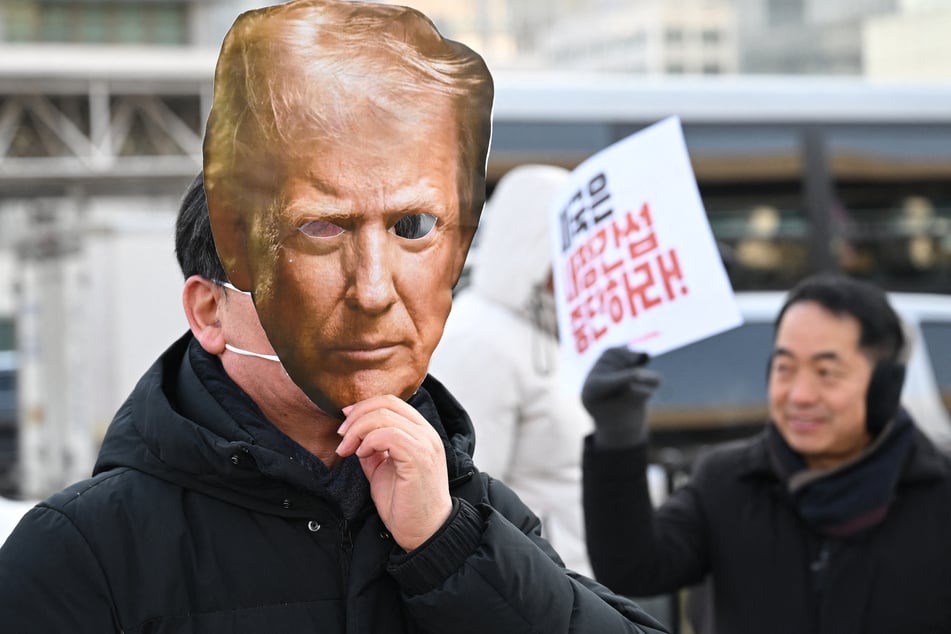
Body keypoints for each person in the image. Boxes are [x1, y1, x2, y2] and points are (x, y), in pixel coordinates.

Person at [0, 2, 667, 632]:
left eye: (410, 228)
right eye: (319, 232)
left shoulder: (467, 510)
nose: (375, 291)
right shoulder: (83, 552)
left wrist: (445, 546)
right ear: (210, 310)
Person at [581, 272, 951, 634]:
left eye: (826, 372)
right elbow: (631, 568)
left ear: (885, 388)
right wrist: (618, 435)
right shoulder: (726, 481)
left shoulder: (939, 495)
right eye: (784, 368)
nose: (799, 395)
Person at [429, 164, 596, 576]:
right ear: (533, 245)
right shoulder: (479, 341)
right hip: (530, 585)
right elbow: (471, 489)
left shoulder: (545, 333)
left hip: (562, 581)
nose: (585, 262)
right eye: (571, 246)